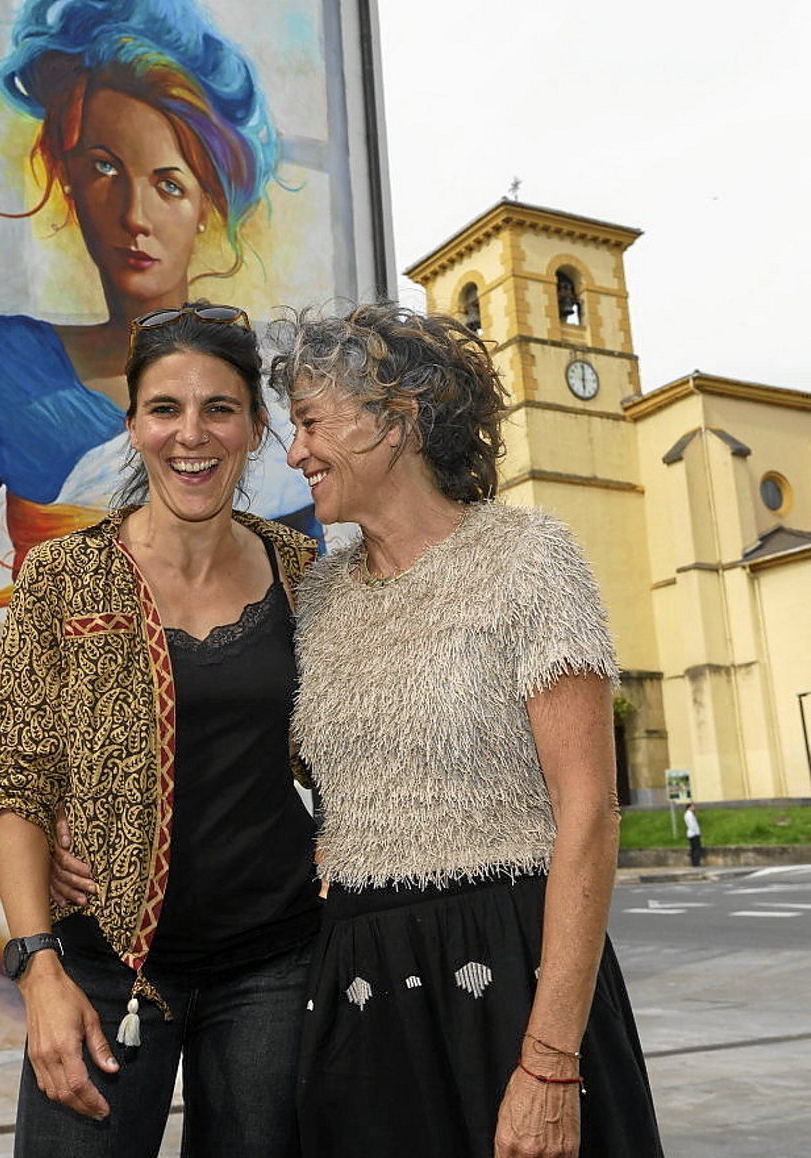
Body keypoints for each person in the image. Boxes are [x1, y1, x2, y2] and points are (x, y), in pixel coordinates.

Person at [0, 0, 314, 836]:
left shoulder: (275, 400)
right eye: (104, 167)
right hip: (78, 810)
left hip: (252, 820)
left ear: (208, 205)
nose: (135, 215)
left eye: (169, 183)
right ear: (65, 176)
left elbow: (325, 632)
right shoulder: (11, 373)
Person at [267, 302, 664, 1157]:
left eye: (309, 422)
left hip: (513, 967)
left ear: (397, 420)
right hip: (361, 985)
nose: (295, 452)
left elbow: (589, 812)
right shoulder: (320, 597)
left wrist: (550, 1059)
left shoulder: (528, 558)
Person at [0, 303, 321, 1157]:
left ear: (256, 427)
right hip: (100, 966)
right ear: (132, 426)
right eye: (165, 408)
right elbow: (18, 780)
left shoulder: (306, 573)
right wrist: (38, 968)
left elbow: (348, 750)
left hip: (274, 970)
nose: (191, 434)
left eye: (220, 408)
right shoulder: (63, 574)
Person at [684, 801, 703, 866]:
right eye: (692, 807)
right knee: (696, 848)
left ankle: (694, 862)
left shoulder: (688, 814)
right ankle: (696, 862)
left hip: (691, 833)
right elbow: (692, 824)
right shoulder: (689, 814)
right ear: (689, 807)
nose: (694, 808)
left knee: (693, 848)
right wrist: (697, 832)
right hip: (694, 834)